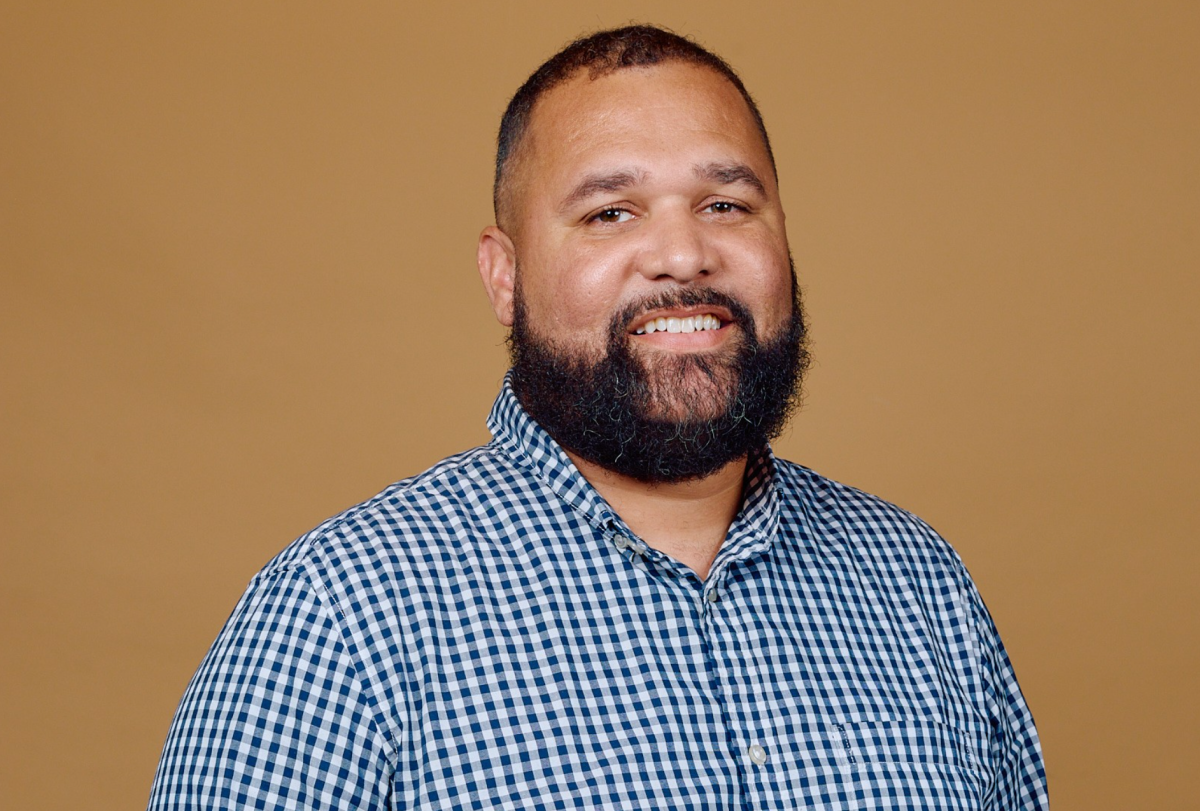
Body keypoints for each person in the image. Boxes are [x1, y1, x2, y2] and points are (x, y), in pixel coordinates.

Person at [148, 25, 1047, 810]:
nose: (683, 255)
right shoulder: (341, 616)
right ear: (505, 276)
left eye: (725, 205)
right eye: (610, 212)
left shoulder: (920, 586)